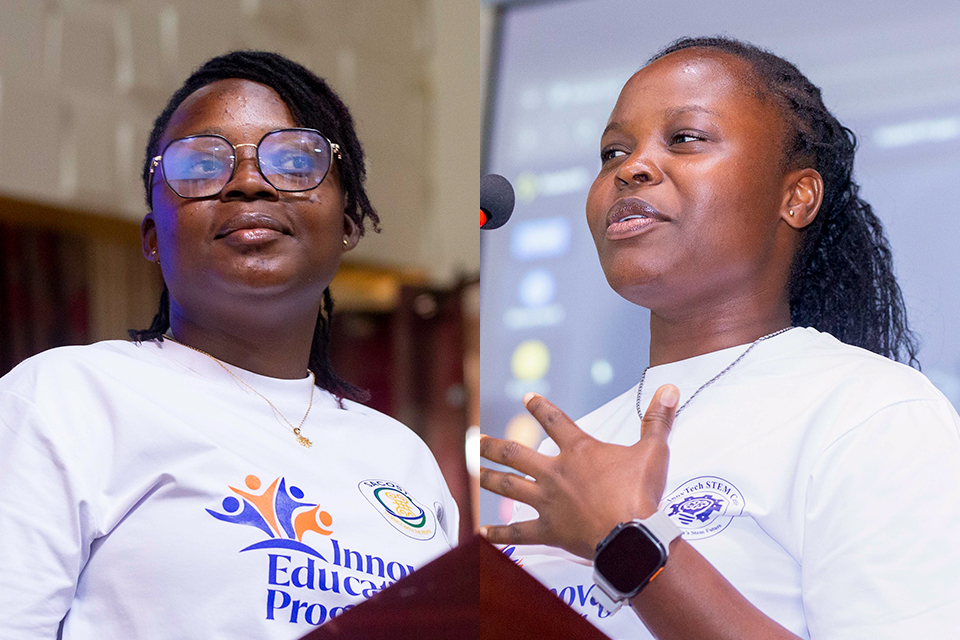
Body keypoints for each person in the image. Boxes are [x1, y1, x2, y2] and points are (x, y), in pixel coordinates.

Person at [479, 36, 960, 639]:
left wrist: (631, 541)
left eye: (684, 139)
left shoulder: (872, 412)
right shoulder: (574, 450)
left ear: (796, 197)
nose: (632, 168)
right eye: (611, 152)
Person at [0, 51, 458, 639]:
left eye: (294, 160)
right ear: (152, 236)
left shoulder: (405, 458)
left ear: (348, 226)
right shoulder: (67, 397)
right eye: (201, 166)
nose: (247, 182)